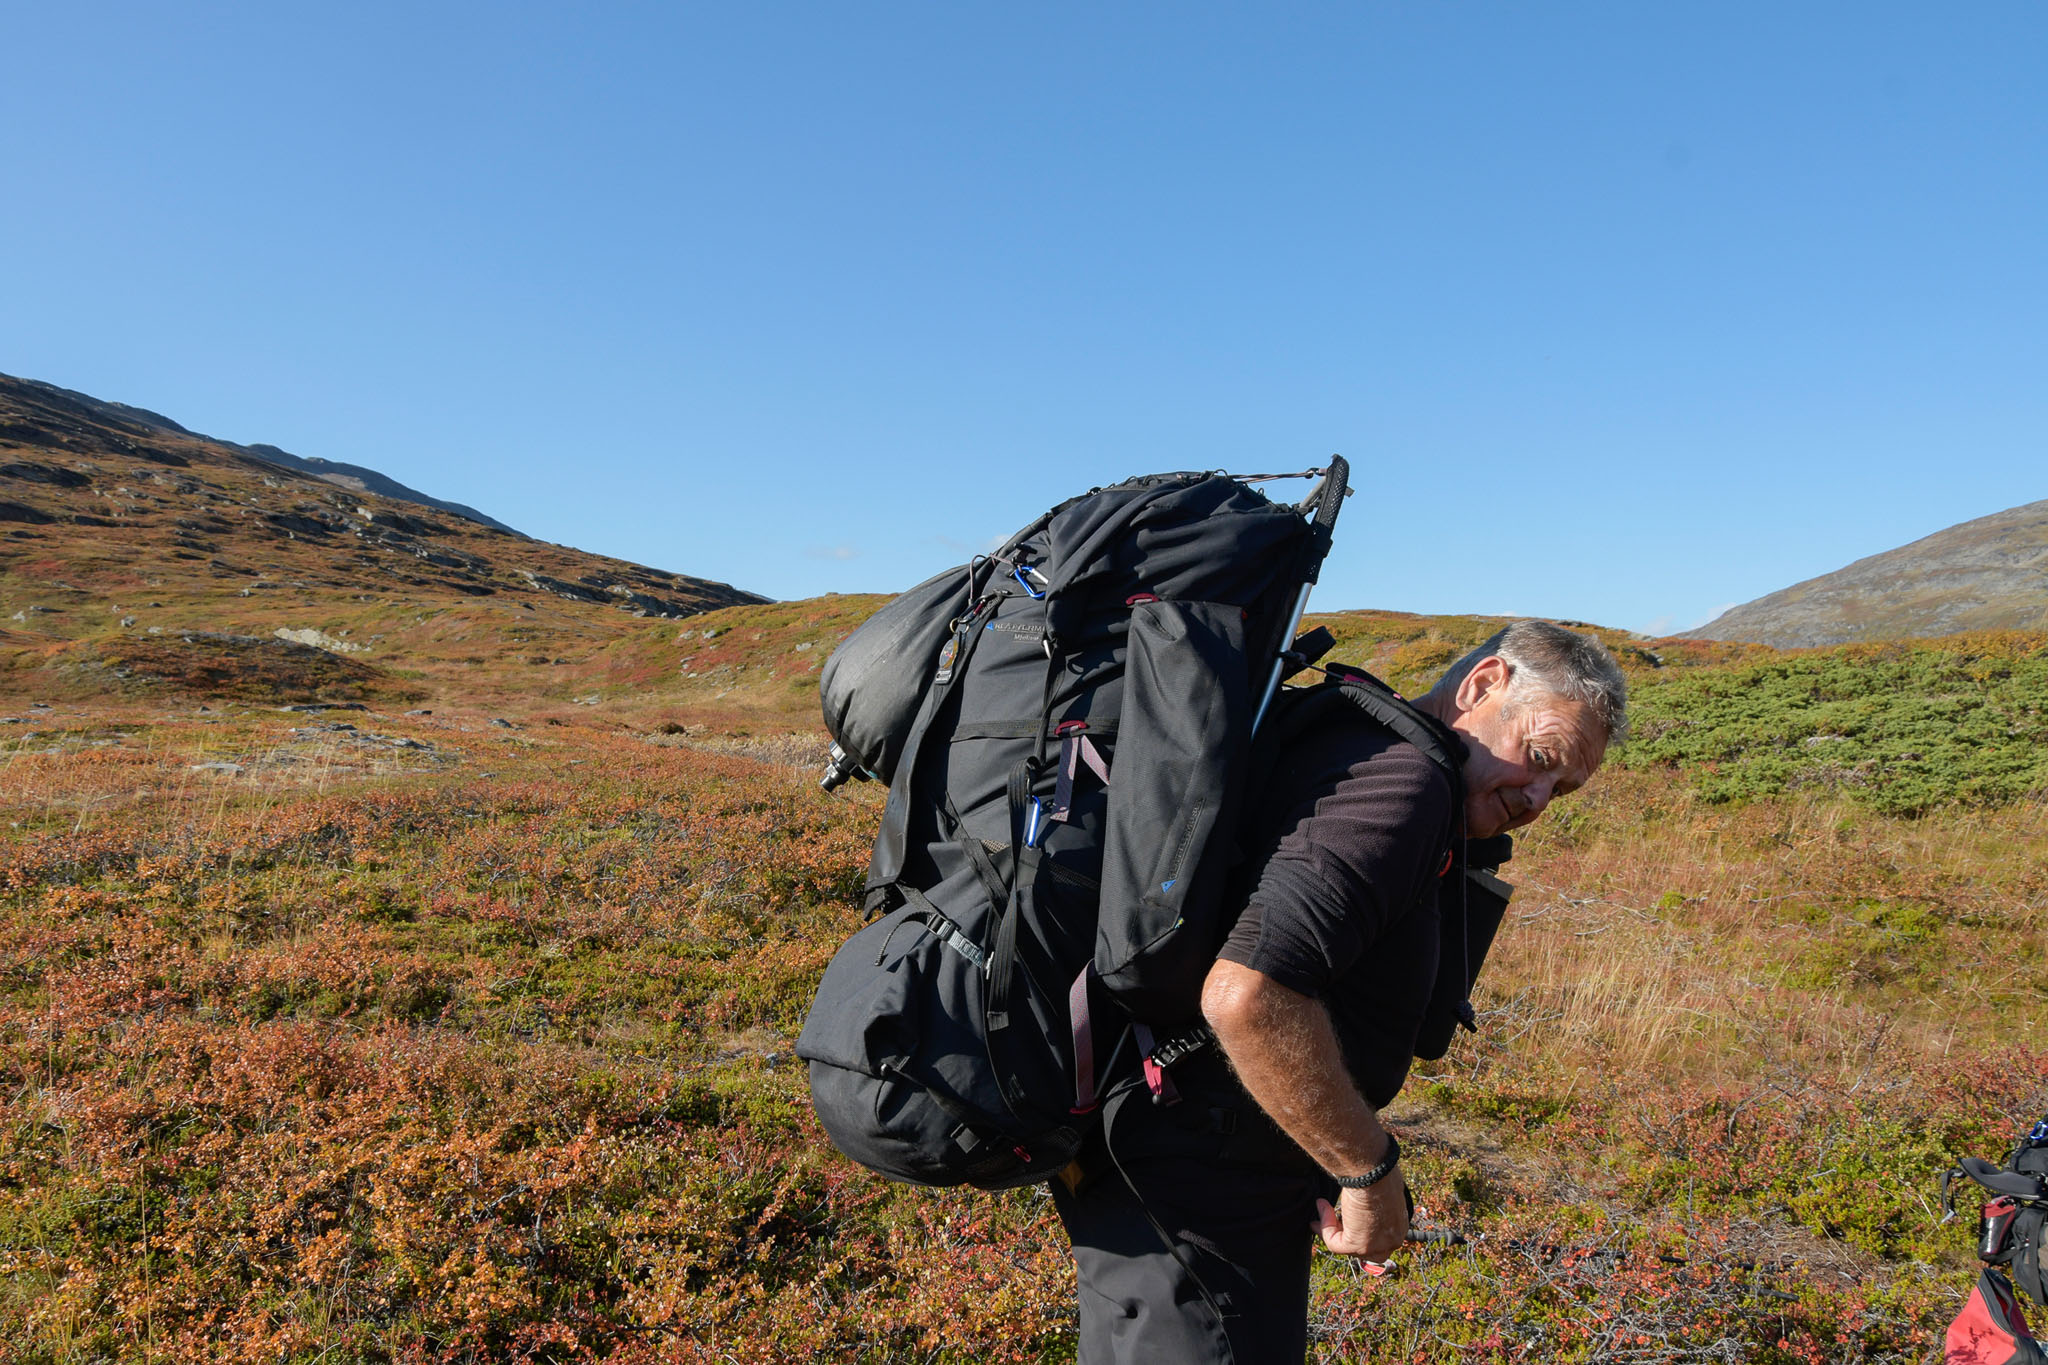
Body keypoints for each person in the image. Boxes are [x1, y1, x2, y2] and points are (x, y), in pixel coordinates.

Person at [1048, 620, 1629, 1364]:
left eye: (1565, 787)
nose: (1542, 795)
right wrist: (1368, 1168)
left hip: (1162, 1154)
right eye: (1541, 757)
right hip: (1200, 1187)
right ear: (1484, 685)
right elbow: (1249, 994)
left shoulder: (1357, 740)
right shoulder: (1404, 784)